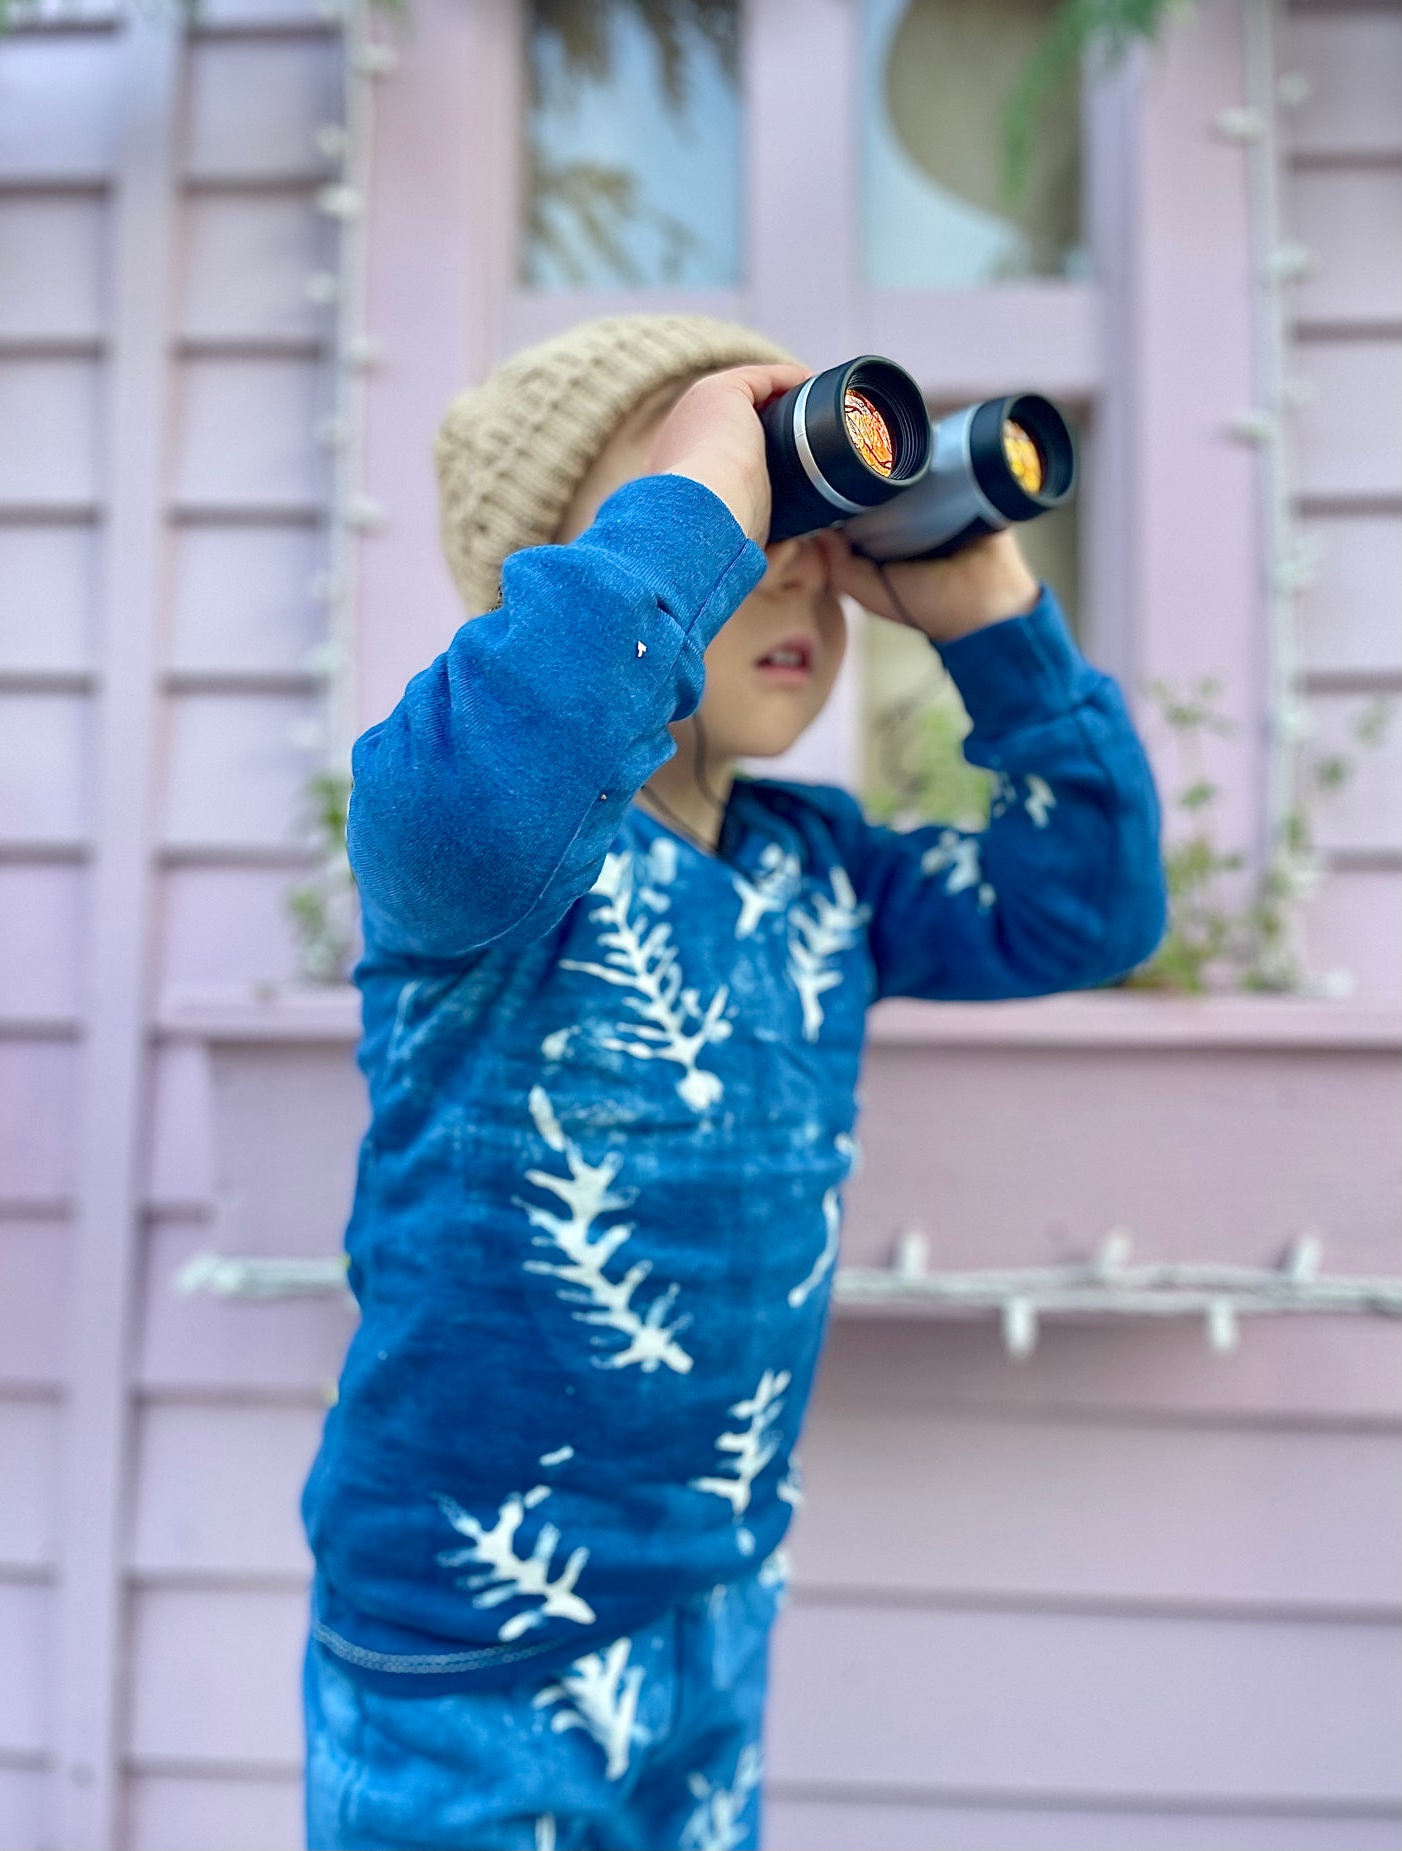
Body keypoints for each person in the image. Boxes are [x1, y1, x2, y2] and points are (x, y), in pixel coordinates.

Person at [300, 315, 1167, 1851]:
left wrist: (984, 612)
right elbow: (467, 800)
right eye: (735, 522)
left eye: (805, 526)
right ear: (598, 572)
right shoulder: (487, 875)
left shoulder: (820, 869)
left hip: (714, 1602)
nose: (786, 570)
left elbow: (1085, 904)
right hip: (471, 1649)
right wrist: (700, 494)